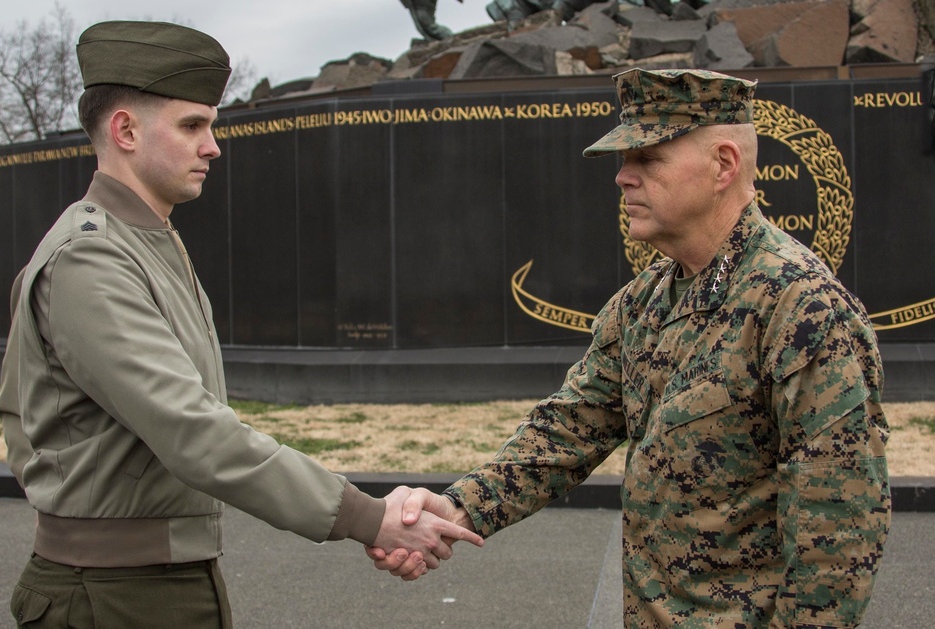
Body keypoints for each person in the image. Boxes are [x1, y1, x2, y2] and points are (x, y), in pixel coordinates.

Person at [0, 20, 481, 628]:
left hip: (157, 582)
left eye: (211, 127)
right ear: (124, 129)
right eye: (192, 125)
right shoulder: (91, 259)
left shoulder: (145, 242)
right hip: (112, 594)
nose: (212, 146)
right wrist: (369, 518)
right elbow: (193, 432)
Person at [370, 68, 891, 628]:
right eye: (624, 161)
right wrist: (456, 507)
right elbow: (569, 429)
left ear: (723, 164)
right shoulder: (643, 302)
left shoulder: (802, 309)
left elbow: (836, 536)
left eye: (648, 159)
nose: (623, 177)